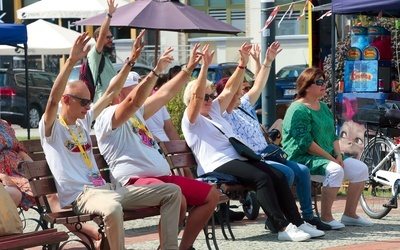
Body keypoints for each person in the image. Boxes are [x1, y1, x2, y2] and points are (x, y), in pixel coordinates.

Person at [39, 31, 182, 250]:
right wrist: (71, 62)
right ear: (66, 100)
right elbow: (51, 101)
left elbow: (111, 91)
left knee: (172, 192)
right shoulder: (52, 128)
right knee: (113, 208)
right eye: (84, 102)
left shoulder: (83, 121)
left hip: (107, 190)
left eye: (89, 102)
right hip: (82, 196)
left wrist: (131, 61)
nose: (89, 106)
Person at [181, 43, 324, 242]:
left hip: (237, 158)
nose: (208, 99)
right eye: (204, 96)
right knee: (262, 178)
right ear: (193, 98)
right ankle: (281, 227)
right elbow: (196, 98)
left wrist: (242, 63)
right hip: (216, 163)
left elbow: (230, 88)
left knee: (278, 175)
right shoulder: (191, 119)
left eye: (210, 95)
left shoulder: (214, 110)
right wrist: (204, 67)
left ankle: (298, 223)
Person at [94, 44, 219, 250]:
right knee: (176, 195)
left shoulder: (136, 113)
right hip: (133, 182)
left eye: (138, 88)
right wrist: (155, 72)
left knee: (210, 195)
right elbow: (133, 102)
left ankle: (183, 247)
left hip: (160, 179)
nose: (140, 94)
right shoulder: (108, 116)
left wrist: (188, 69)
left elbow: (164, 95)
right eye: (132, 90)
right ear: (117, 95)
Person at [217, 42, 331, 231]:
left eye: (243, 90)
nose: (243, 93)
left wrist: (268, 61)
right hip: (253, 160)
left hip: (269, 154)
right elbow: (231, 90)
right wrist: (242, 64)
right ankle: (278, 218)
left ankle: (308, 217)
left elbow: (258, 85)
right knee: (286, 173)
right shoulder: (221, 113)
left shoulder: (243, 106)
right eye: (239, 91)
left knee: (301, 170)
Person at [281, 67, 373, 229]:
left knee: (361, 169)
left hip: (328, 156)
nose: (324, 85)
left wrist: (338, 154)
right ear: (307, 86)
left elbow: (332, 135)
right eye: (319, 82)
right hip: (302, 158)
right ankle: (326, 217)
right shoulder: (298, 109)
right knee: (335, 170)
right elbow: (306, 144)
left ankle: (349, 215)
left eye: (324, 81)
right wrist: (332, 160)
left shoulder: (322, 106)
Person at [0, 119, 103, 248]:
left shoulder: (4, 124)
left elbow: (19, 150)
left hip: (20, 171)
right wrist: (2, 176)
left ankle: (92, 242)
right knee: (50, 198)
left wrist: (34, 172)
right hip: (4, 176)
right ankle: (95, 234)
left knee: (52, 197)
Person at [87, 0, 118, 102]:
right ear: (97, 39)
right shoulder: (95, 55)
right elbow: (102, 34)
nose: (111, 40)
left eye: (111, 37)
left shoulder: (105, 57)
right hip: (101, 105)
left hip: (110, 105)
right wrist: (109, 15)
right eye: (107, 37)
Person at [145, 73, 180, 142]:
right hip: (152, 147)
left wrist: (179, 147)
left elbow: (170, 129)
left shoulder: (160, 104)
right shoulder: (134, 110)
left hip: (166, 144)